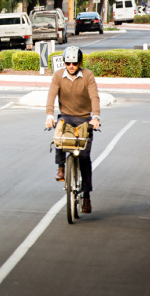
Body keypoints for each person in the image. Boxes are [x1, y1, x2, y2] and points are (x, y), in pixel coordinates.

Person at [45, 46, 101, 213]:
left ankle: (87, 197)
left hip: (84, 118)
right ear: (64, 62)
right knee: (59, 134)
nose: (71, 66)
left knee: (84, 157)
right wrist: (49, 115)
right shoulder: (58, 76)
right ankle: (61, 167)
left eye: (74, 63)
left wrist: (96, 117)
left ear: (80, 63)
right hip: (66, 116)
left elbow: (94, 97)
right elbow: (51, 95)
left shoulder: (88, 76)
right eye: (68, 63)